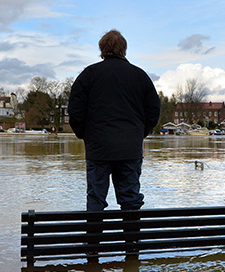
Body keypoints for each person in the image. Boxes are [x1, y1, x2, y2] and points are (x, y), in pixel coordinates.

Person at [68, 29, 160, 211]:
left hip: (98, 147)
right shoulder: (139, 76)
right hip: (130, 148)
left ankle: (93, 239)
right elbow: (154, 111)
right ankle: (131, 239)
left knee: (96, 198)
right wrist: (139, 133)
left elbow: (75, 110)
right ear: (124, 49)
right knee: (130, 198)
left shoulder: (89, 74)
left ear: (101, 49)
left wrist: (86, 135)